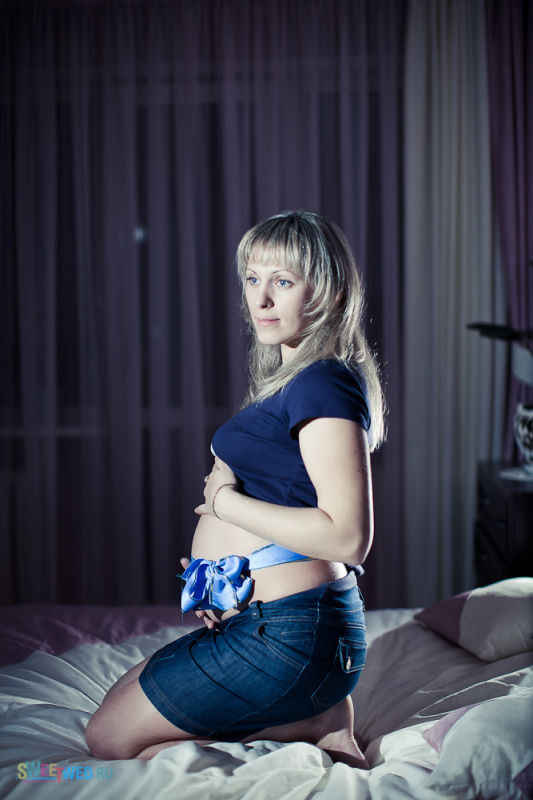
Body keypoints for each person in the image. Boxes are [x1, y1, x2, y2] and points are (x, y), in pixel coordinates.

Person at [86, 210, 385, 767]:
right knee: (115, 704)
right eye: (252, 278)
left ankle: (307, 722)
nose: (261, 299)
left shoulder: (324, 383)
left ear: (329, 292)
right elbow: (284, 499)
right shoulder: (296, 380)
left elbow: (347, 538)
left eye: (283, 281)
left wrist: (224, 504)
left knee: (109, 740)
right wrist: (219, 579)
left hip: (290, 633)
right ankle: (313, 715)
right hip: (270, 622)